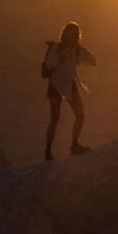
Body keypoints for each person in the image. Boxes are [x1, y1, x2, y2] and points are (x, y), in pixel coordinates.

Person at [43, 21, 96, 160]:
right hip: (55, 84)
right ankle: (48, 151)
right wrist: (62, 56)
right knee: (55, 118)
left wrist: (79, 52)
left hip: (68, 84)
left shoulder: (76, 49)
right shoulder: (56, 48)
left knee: (80, 115)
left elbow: (93, 61)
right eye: (70, 34)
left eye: (75, 34)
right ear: (65, 34)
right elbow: (50, 64)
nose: (72, 37)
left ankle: (74, 145)